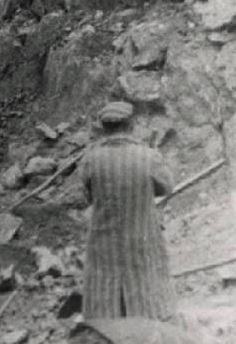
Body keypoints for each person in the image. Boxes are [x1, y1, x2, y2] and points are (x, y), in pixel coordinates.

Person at [79, 101, 175, 321]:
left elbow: (87, 196)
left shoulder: (91, 159)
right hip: (141, 240)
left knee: (105, 306)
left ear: (104, 129)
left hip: (104, 244)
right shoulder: (148, 156)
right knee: (148, 303)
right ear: (131, 125)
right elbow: (167, 187)